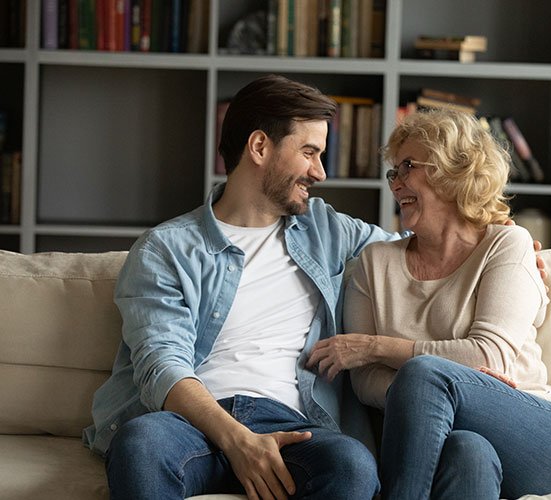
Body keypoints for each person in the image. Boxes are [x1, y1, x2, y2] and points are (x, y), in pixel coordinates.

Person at [83, 74, 391, 500]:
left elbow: (418, 251)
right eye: (309, 152)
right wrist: (237, 441)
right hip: (190, 424)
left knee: (352, 465)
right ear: (260, 147)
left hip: (294, 425)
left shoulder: (327, 229)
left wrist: (481, 229)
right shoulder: (166, 249)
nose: (320, 171)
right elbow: (161, 365)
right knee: (140, 445)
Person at [307, 108, 551, 499]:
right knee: (467, 451)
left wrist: (378, 348)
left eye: (407, 166)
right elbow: (365, 381)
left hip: (536, 433)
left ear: (454, 170)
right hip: (448, 442)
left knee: (425, 373)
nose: (395, 183)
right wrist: (442, 390)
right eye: (393, 171)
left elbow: (489, 356)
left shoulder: (506, 244)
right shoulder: (374, 264)